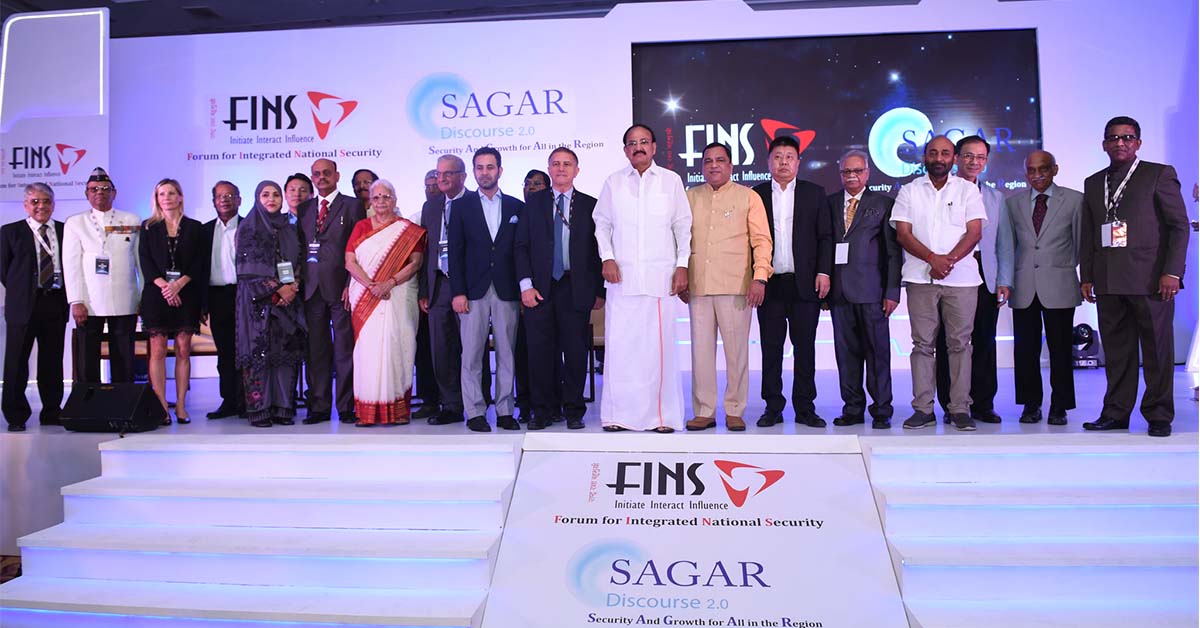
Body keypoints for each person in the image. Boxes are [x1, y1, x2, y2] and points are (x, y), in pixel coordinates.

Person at [1080, 116, 1190, 437]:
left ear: (1138, 143)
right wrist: (1087, 275)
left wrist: (1172, 271)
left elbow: (1178, 226)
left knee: (1157, 351)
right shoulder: (1093, 182)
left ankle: (1159, 415)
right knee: (1117, 352)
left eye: (1127, 137)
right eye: (1113, 138)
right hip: (1108, 280)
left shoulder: (1158, 174)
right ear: (1104, 144)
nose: (1120, 143)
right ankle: (1116, 413)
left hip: (1151, 280)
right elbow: (1088, 234)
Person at [594, 124, 691, 433]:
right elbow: (602, 224)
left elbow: (682, 227)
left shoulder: (671, 181)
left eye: (644, 142)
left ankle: (662, 417)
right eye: (632, 143)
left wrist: (682, 265)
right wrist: (607, 257)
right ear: (625, 150)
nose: (638, 147)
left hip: (660, 280)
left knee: (658, 353)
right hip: (622, 280)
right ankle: (618, 416)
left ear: (654, 147)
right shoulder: (613, 182)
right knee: (622, 352)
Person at [891, 135, 987, 432]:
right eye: (933, 153)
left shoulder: (968, 190)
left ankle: (959, 409)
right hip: (920, 277)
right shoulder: (909, 191)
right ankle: (923, 409)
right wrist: (933, 259)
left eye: (945, 153)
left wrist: (948, 261)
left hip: (962, 279)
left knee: (960, 344)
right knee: (922, 345)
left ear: (954, 159)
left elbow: (974, 232)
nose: (939, 158)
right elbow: (903, 234)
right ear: (924, 158)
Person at [683, 142, 772, 432]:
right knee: (700, 354)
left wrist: (760, 277)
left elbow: (761, 241)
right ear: (702, 166)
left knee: (736, 353)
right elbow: (679, 240)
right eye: (708, 161)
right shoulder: (689, 197)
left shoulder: (748, 197)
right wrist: (680, 273)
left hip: (736, 286)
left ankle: (735, 409)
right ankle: (704, 411)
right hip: (698, 285)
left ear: (731, 166)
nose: (714, 165)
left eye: (720, 160)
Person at [515, 147, 605, 431]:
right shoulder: (533, 203)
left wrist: (599, 291)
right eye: (556, 164)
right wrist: (526, 285)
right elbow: (521, 247)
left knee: (576, 352)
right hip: (540, 289)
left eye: (567, 164)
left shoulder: (591, 205)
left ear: (577, 170)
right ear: (549, 169)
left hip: (575, 288)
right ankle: (542, 411)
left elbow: (598, 251)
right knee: (540, 353)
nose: (561, 168)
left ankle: (574, 410)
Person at [996, 150, 1083, 426]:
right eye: (1031, 170)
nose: (1037, 175)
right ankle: (1030, 404)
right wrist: (1005, 280)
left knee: (1061, 350)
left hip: (1060, 283)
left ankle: (1060, 406)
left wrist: (1079, 274)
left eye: (1043, 169)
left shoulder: (1075, 200)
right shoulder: (1013, 203)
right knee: (1025, 351)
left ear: (1055, 169)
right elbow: (1007, 246)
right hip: (1023, 286)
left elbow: (1081, 243)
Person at [752, 136, 831, 428]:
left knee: (805, 348)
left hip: (805, 284)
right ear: (768, 162)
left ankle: (805, 408)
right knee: (771, 349)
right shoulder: (756, 194)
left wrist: (824, 272)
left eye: (789, 157)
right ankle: (772, 407)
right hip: (770, 284)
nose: (783, 162)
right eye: (777, 157)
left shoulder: (814, 193)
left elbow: (825, 237)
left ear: (798, 162)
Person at [448, 147, 524, 433]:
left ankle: (505, 411)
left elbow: (521, 251)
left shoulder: (517, 207)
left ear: (500, 171)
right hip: (472, 291)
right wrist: (458, 291)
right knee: (471, 354)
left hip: (507, 289)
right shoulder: (461, 207)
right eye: (479, 167)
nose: (485, 172)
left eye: (490, 167)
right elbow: (455, 253)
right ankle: (475, 412)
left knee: (507, 353)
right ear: (473, 172)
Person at [826, 150, 901, 430]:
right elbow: (823, 247)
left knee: (878, 354)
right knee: (846, 356)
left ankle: (881, 410)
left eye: (857, 171)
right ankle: (852, 409)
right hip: (839, 293)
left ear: (867, 173)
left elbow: (893, 253)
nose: (852, 176)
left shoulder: (883, 204)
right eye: (846, 171)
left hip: (873, 293)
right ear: (840, 174)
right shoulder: (829, 204)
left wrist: (892, 291)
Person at [343, 180, 426, 427]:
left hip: (398, 294)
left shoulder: (408, 230)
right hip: (365, 295)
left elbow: (416, 263)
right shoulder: (360, 227)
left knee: (396, 347)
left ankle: (397, 411)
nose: (381, 201)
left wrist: (389, 283)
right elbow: (350, 262)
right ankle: (367, 413)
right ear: (370, 201)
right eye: (376, 197)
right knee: (366, 352)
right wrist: (372, 286)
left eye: (386, 196)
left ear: (395, 200)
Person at [935, 136, 1005, 424]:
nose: (974, 162)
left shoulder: (996, 198)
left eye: (980, 157)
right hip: (950, 272)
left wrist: (1004, 279)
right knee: (949, 341)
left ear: (986, 161)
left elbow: (1003, 243)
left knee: (985, 340)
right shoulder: (941, 191)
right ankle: (951, 404)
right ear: (956, 158)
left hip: (985, 274)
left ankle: (983, 403)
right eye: (967, 156)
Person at [298, 158, 364, 425]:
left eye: (327, 173)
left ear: (337, 176)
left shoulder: (352, 205)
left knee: (344, 349)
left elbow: (359, 248)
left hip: (340, 288)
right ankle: (319, 407)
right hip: (311, 289)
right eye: (316, 174)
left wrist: (351, 284)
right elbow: (300, 248)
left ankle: (346, 406)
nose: (321, 177)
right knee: (316, 350)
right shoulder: (304, 208)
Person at [235, 181, 307, 428]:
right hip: (258, 305)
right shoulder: (248, 228)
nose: (271, 199)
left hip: (287, 303)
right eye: (265, 195)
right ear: (257, 199)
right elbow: (246, 270)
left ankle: (283, 408)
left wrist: (293, 285)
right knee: (260, 354)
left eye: (276, 195)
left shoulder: (289, 228)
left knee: (284, 353)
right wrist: (278, 289)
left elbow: (299, 261)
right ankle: (260, 409)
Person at [63, 167, 141, 384]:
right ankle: (89, 401)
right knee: (87, 357)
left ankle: (123, 399)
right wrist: (76, 301)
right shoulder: (75, 222)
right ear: (86, 194)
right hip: (89, 300)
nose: (100, 192)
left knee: (124, 356)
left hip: (125, 298)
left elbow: (140, 263)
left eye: (105, 188)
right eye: (94, 189)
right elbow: (71, 265)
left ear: (114, 193)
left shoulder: (132, 219)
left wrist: (142, 296)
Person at [1, 183, 69, 431]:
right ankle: (15, 415)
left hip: (55, 302)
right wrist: (23, 289)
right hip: (23, 304)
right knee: (16, 361)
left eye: (46, 201)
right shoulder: (10, 232)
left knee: (52, 360)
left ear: (53, 204)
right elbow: (4, 270)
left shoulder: (64, 230)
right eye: (35, 201)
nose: (41, 206)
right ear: (26, 205)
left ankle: (51, 411)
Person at [139, 178, 206, 424]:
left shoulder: (195, 227)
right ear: (156, 199)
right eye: (161, 194)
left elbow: (199, 262)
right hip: (157, 294)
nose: (166, 198)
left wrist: (178, 285)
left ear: (180, 197)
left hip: (186, 294)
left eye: (171, 193)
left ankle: (180, 405)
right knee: (157, 350)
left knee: (183, 350)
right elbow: (145, 261)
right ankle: (161, 407)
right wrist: (166, 287)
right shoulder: (148, 227)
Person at [418, 155, 470, 426]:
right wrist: (424, 290)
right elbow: (426, 251)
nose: (443, 178)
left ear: (463, 176)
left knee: (471, 348)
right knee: (441, 348)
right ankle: (450, 405)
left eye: (449, 173)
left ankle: (476, 403)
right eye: (440, 174)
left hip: (468, 286)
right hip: (439, 284)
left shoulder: (474, 202)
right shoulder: (431, 206)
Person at [203, 181, 245, 419]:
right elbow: (199, 270)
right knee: (225, 352)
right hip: (217, 296)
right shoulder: (204, 231)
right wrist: (202, 304)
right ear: (214, 202)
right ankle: (229, 400)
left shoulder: (250, 226)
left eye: (230, 195)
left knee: (246, 350)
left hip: (245, 295)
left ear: (239, 200)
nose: (225, 200)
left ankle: (249, 400)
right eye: (220, 196)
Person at [414, 168, 442, 409]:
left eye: (436, 185)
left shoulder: (463, 209)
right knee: (427, 347)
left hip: (456, 288)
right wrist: (423, 291)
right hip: (428, 291)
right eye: (428, 186)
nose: (432, 190)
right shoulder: (417, 217)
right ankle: (430, 400)